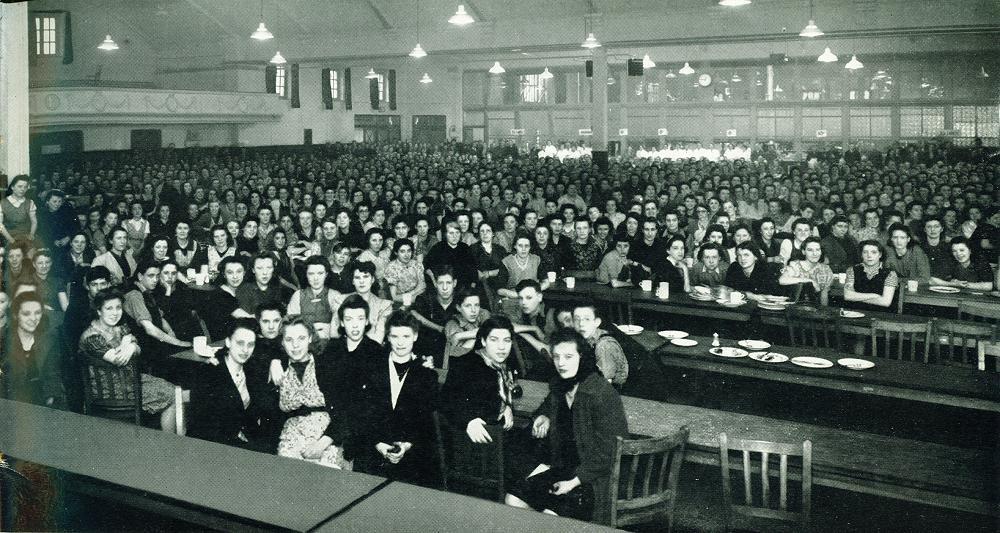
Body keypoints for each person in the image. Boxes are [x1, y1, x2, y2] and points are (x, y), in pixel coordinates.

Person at [506, 328, 628, 525]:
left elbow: (611, 452)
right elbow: (547, 405)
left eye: (568, 356)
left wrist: (572, 482)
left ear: (582, 357)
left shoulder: (601, 393)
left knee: (549, 517)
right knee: (513, 500)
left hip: (593, 479)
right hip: (562, 469)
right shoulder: (561, 385)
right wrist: (543, 416)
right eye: (556, 357)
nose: (561, 363)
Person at [351, 311, 439, 485]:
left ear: (415, 336)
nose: (400, 342)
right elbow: (362, 413)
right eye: (395, 336)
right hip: (375, 446)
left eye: (406, 336)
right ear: (388, 337)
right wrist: (379, 445)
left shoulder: (427, 375)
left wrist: (405, 446)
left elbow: (424, 422)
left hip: (410, 450)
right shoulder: (372, 368)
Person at [78, 289, 178, 431]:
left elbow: (138, 349)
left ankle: (171, 441)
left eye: (118, 307)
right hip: (109, 391)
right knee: (172, 395)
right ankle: (171, 445)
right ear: (99, 311)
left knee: (174, 390)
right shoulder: (92, 336)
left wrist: (131, 346)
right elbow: (119, 360)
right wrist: (129, 344)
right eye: (109, 308)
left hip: (127, 379)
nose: (115, 312)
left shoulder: (119, 327)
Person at [187, 318, 279, 452]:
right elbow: (203, 424)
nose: (245, 350)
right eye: (240, 343)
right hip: (211, 445)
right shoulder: (208, 372)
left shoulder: (251, 371)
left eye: (250, 344)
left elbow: (274, 345)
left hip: (241, 439)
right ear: (228, 342)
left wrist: (274, 362)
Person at [276, 318, 351, 469]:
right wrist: (274, 361)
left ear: (310, 338)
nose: (295, 345)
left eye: (301, 338)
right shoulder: (277, 369)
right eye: (289, 339)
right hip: (291, 437)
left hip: (327, 435)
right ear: (282, 342)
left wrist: (322, 443)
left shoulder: (327, 365)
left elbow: (345, 411)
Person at [440, 316, 519, 445]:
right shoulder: (465, 364)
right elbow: (446, 400)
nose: (501, 347)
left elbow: (496, 391)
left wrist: (506, 406)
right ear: (483, 341)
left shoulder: (505, 363)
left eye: (507, 340)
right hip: (470, 438)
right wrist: (469, 420)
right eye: (494, 340)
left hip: (496, 432)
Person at [1, 291, 64, 408]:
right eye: (26, 314)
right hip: (9, 401)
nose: (33, 318)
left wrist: (50, 403)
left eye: (37, 313)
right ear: (15, 315)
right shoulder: (4, 340)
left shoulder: (48, 340)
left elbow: (53, 375)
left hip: (41, 401)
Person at [330, 262, 392, 344]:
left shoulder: (383, 305)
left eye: (365, 277)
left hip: (371, 352)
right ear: (353, 281)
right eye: (357, 277)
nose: (361, 281)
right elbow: (334, 333)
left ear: (372, 279)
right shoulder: (341, 300)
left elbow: (378, 339)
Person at [410, 265, 459, 367]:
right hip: (427, 350)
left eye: (448, 283)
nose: (444, 288)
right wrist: (438, 328)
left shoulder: (462, 300)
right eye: (441, 283)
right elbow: (413, 313)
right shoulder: (426, 298)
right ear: (435, 283)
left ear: (454, 283)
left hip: (453, 351)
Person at [572, 304, 628, 388]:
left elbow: (605, 382)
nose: (581, 324)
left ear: (597, 322)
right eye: (577, 319)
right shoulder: (583, 339)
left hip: (619, 392)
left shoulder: (604, 345)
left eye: (587, 319)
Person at [286, 256, 339, 339]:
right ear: (306, 275)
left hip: (328, 343)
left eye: (320, 273)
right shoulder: (298, 295)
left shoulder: (334, 295)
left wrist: (326, 327)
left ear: (326, 274)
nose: (316, 278)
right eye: (311, 274)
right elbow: (291, 327)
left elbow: (337, 331)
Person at [443, 286, 492, 367]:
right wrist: (475, 336)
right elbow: (455, 358)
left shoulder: (482, 314)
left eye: (476, 305)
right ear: (458, 308)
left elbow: (491, 327)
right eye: (468, 306)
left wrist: (459, 336)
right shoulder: (452, 325)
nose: (473, 310)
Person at [779, 237, 834, 306]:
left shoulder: (826, 269)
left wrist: (823, 312)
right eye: (810, 250)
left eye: (817, 250)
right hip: (794, 307)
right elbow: (782, 280)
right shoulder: (796, 265)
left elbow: (824, 295)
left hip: (814, 309)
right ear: (803, 252)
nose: (815, 253)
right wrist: (809, 280)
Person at [844, 240, 898, 310]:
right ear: (861, 254)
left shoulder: (890, 274)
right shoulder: (852, 270)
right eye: (865, 252)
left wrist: (856, 297)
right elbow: (847, 296)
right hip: (856, 312)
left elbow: (885, 302)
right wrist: (874, 295)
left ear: (880, 255)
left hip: (881, 314)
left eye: (874, 252)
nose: (869, 256)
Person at [929, 236, 995, 291]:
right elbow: (932, 280)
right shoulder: (951, 261)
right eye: (954, 251)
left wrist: (964, 285)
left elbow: (989, 286)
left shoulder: (980, 261)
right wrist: (954, 284)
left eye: (962, 250)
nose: (958, 254)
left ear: (970, 250)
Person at [383, 238, 426, 305]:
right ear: (396, 252)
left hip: (418, 301)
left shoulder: (416, 264)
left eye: (409, 251)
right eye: (402, 251)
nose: (406, 255)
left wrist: (414, 296)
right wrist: (415, 292)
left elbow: (423, 287)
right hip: (400, 305)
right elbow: (394, 297)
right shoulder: (391, 268)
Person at [0, 175, 37, 244]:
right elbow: (0, 225)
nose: (23, 189)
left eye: (25, 187)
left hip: (25, 236)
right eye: (20, 186)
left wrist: (31, 234)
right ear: (12, 187)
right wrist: (10, 239)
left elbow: (34, 222)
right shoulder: (2, 203)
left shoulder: (30, 202)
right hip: (8, 237)